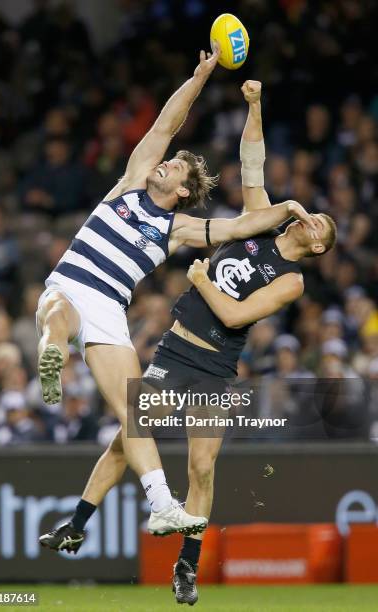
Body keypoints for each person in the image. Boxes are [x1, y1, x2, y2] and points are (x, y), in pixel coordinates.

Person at [37, 58, 317, 544]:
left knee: (133, 416)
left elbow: (238, 226)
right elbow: (167, 122)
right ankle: (51, 355)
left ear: (183, 189)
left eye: (176, 167)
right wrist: (202, 76)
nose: (164, 162)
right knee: (56, 312)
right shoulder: (131, 182)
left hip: (110, 308)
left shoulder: (177, 229)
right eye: (168, 160)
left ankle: (162, 504)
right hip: (71, 286)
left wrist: (287, 208)